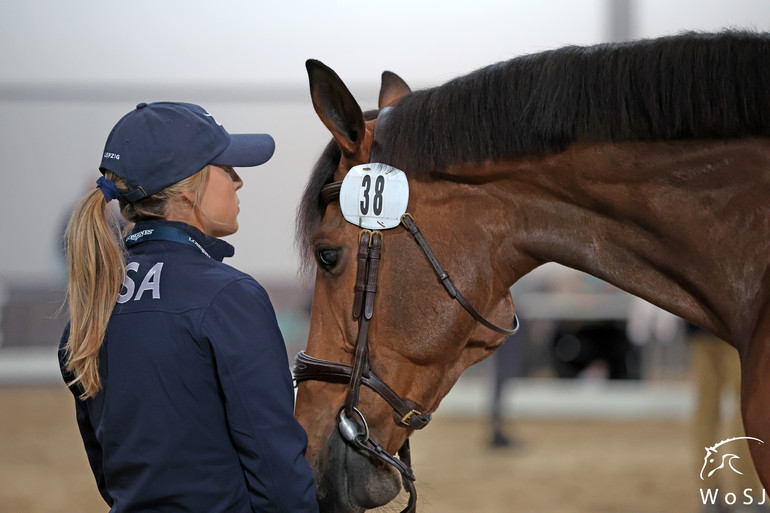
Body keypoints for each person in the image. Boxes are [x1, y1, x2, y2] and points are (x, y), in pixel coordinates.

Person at [58, 102, 320, 513]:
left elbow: (109, 475)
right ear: (187, 188)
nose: (238, 181)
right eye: (226, 167)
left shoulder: (89, 310)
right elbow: (277, 472)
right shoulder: (228, 296)